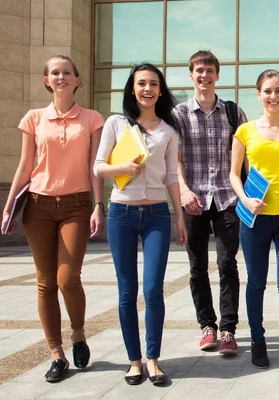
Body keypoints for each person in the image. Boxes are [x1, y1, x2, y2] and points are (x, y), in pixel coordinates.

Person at [0, 55, 104, 382]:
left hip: (76, 204)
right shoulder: (33, 118)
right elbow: (24, 164)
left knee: (67, 278)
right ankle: (56, 353)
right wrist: (8, 204)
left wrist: (99, 204)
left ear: (77, 80)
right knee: (45, 283)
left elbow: (95, 166)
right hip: (37, 205)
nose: (61, 77)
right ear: (47, 79)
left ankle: (78, 333)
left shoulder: (92, 119)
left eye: (67, 73)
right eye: (54, 73)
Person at [93, 63, 187, 385]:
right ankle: (133, 360)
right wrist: (123, 167)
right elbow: (99, 167)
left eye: (153, 84)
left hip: (157, 214)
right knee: (126, 290)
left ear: (161, 90)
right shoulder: (116, 123)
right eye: (141, 83)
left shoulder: (169, 131)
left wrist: (180, 216)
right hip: (121, 214)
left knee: (152, 289)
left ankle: (153, 359)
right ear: (132, 89)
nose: (147, 89)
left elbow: (172, 175)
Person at [230, 69, 279, 392]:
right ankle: (258, 340)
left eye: (278, 90)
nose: (273, 96)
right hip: (255, 218)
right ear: (258, 94)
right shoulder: (245, 131)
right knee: (257, 283)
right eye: (267, 91)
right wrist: (245, 199)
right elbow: (233, 175)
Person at [172, 50, 246, 355]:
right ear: (191, 75)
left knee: (228, 264)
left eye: (209, 71)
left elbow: (246, 155)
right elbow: (173, 160)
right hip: (194, 199)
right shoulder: (178, 114)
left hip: (227, 197)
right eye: (199, 71)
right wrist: (184, 191)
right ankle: (208, 327)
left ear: (217, 75)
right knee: (197, 267)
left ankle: (228, 329)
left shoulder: (233, 112)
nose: (204, 76)